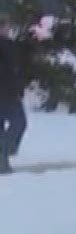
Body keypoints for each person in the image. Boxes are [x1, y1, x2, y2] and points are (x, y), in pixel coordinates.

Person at [0, 27, 25, 174]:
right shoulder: (6, 45)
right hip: (6, 93)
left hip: (9, 91)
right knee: (19, 122)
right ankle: (3, 156)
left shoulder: (8, 44)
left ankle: (3, 160)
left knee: (12, 125)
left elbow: (14, 69)